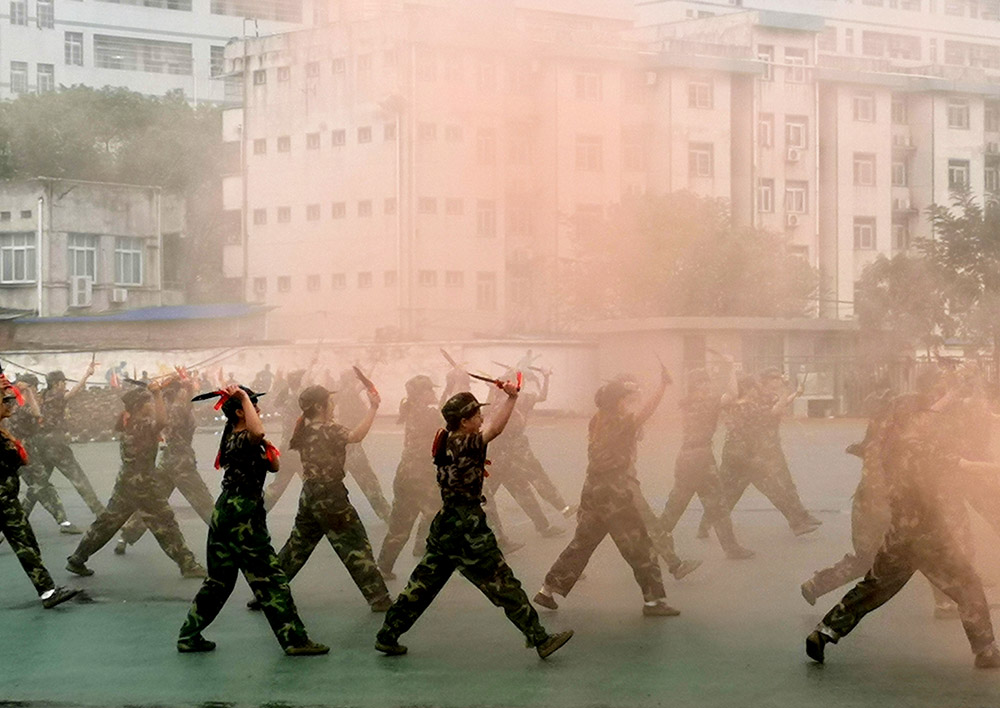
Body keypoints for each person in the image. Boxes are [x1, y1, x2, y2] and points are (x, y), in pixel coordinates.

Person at [805, 377, 1000, 669]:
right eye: (924, 414)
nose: (930, 417)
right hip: (929, 535)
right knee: (968, 584)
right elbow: (967, 467)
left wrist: (951, 393)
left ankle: (824, 631)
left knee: (873, 588)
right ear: (914, 419)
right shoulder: (921, 448)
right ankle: (985, 651)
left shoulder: (889, 446)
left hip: (898, 534)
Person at [375, 384, 573, 658]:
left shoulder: (445, 438)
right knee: (503, 583)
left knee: (422, 584)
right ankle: (540, 639)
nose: (481, 419)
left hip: (446, 524)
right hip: (468, 529)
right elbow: (496, 429)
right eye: (476, 416)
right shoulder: (465, 442)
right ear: (464, 421)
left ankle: (388, 634)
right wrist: (512, 398)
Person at [178, 385, 328, 655]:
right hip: (243, 515)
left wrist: (265, 449)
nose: (257, 409)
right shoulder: (243, 437)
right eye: (252, 404)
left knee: (219, 580)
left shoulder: (238, 438)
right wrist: (244, 397)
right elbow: (258, 432)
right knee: (271, 579)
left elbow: (274, 465)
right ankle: (294, 640)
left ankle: (189, 635)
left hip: (227, 512)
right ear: (239, 412)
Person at [534, 370, 680, 616]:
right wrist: (662, 387)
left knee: (582, 544)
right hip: (615, 493)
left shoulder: (597, 419)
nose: (627, 402)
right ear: (617, 401)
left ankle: (546, 590)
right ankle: (654, 602)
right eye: (624, 398)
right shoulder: (619, 421)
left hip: (593, 491)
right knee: (639, 546)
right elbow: (646, 413)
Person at [262, 383, 392, 611]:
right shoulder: (329, 429)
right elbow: (356, 436)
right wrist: (373, 408)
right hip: (331, 498)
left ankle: (267, 592)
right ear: (320, 406)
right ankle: (380, 598)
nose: (333, 405)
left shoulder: (303, 430)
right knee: (355, 545)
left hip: (309, 495)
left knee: (296, 548)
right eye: (329, 402)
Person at [66, 382, 206, 578]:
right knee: (166, 524)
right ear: (139, 406)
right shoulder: (142, 425)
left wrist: (156, 394)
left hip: (127, 482)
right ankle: (188, 564)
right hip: (144, 484)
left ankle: (77, 558)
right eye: (148, 402)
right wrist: (157, 394)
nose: (151, 405)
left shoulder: (131, 423)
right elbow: (162, 422)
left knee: (107, 523)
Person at [0, 379, 80, 609]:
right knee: (24, 544)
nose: (10, 403)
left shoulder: (4, 431)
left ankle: (46, 589)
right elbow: (18, 460)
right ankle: (47, 591)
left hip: (8, 497)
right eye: (5, 400)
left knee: (29, 543)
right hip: (3, 500)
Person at [114, 376, 215, 555]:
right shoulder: (177, 407)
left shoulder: (166, 406)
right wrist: (186, 386)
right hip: (181, 462)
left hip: (167, 460)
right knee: (204, 501)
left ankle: (126, 536)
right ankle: (228, 535)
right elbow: (187, 403)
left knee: (152, 502)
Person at [660, 367, 754, 560]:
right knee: (710, 505)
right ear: (698, 384)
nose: (708, 385)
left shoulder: (687, 403)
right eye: (705, 381)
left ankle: (652, 544)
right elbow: (732, 394)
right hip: (700, 458)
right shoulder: (707, 402)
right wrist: (730, 367)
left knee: (681, 506)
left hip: (689, 457)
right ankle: (731, 548)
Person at [377, 375, 443, 579]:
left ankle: (384, 567)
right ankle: (446, 563)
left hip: (406, 473)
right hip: (423, 474)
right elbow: (449, 423)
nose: (433, 393)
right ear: (422, 393)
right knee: (442, 517)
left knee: (400, 525)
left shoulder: (412, 410)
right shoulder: (429, 414)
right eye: (430, 390)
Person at [10, 374, 81, 534]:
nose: (36, 391)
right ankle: (60, 522)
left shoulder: (11, 403)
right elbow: (36, 413)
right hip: (24, 452)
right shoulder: (22, 404)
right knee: (40, 484)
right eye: (34, 387)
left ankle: (60, 521)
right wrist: (28, 393)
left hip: (15, 451)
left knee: (37, 486)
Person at [36, 364, 105, 517]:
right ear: (56, 384)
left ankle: (21, 513)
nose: (65, 385)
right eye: (63, 382)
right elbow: (73, 392)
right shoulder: (56, 396)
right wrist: (87, 375)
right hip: (56, 444)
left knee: (39, 483)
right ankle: (99, 510)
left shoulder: (43, 396)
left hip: (42, 444)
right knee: (78, 478)